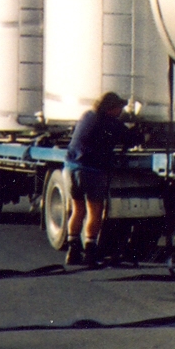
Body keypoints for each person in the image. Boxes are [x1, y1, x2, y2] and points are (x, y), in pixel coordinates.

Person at [63, 91, 132, 267]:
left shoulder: (87, 115)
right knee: (95, 212)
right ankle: (90, 252)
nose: (121, 111)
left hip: (71, 168)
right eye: (119, 108)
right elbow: (131, 139)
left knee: (77, 210)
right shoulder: (111, 124)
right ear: (111, 108)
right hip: (92, 171)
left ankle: (72, 252)